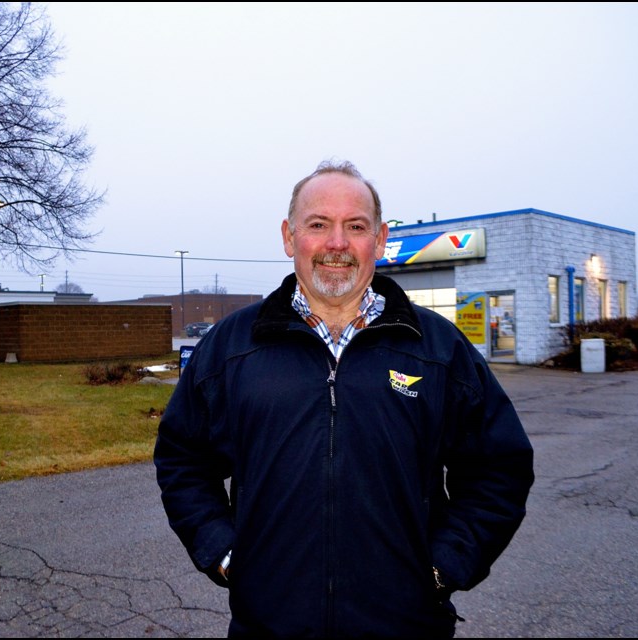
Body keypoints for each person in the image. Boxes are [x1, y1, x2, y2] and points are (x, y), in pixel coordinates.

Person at [154, 160, 534, 637]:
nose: (337, 243)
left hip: (406, 627)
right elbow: (182, 459)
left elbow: (500, 470)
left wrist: (445, 566)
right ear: (290, 238)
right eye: (318, 225)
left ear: (379, 239)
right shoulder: (233, 347)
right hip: (268, 626)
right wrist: (225, 555)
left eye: (355, 226)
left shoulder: (439, 351)